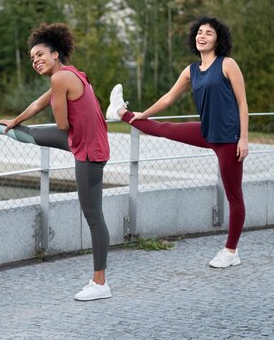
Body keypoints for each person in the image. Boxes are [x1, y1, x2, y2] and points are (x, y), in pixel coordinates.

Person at [0, 22, 112, 301]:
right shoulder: (70, 74)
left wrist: (55, 104)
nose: (35, 60)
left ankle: (100, 283)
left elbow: (62, 124)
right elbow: (39, 104)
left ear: (55, 55)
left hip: (87, 151)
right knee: (30, 133)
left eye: (40, 54)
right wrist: (15, 120)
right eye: (32, 58)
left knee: (93, 216)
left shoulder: (60, 79)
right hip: (87, 142)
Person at [106, 16, 249, 269]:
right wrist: (143, 114)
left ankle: (231, 251)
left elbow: (242, 103)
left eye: (209, 33)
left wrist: (244, 138)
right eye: (199, 32)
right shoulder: (191, 71)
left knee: (233, 195)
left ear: (218, 40)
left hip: (228, 139)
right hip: (206, 131)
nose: (202, 36)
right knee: (163, 129)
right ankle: (119, 112)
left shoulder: (227, 64)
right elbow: (168, 98)